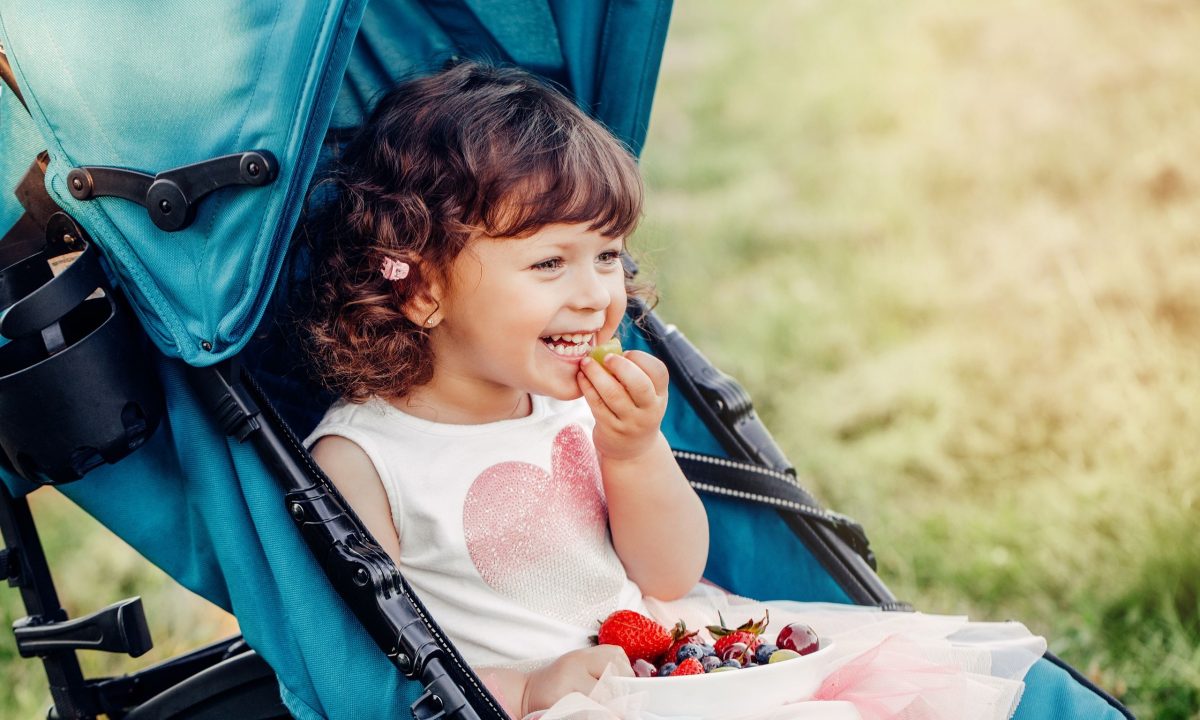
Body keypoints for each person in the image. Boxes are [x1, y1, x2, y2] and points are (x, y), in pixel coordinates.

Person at [301, 62, 1045, 720]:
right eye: (550, 263)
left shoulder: (567, 403)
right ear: (424, 286)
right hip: (541, 703)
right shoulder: (364, 459)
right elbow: (367, 682)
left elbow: (668, 574)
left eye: (607, 255)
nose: (596, 294)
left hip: (678, 668)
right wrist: (528, 691)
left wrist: (632, 451)